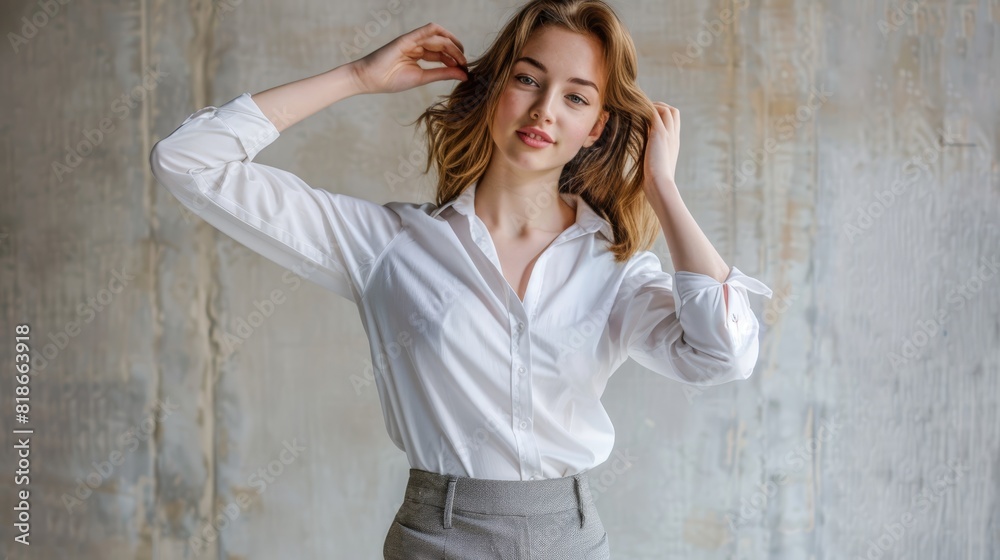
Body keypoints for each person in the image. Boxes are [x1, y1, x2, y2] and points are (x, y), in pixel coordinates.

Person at [149, 0, 773, 557]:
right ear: (495, 87)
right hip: (436, 536)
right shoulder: (387, 246)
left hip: (572, 538)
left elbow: (725, 352)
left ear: (598, 127)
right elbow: (188, 161)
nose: (544, 110)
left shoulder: (614, 268)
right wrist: (358, 77)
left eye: (576, 97)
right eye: (528, 79)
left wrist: (662, 187)